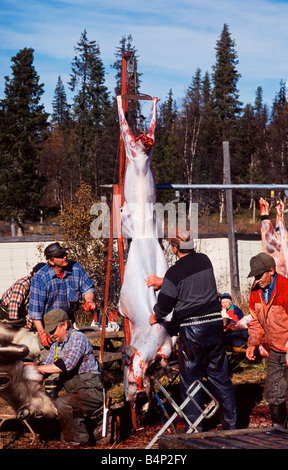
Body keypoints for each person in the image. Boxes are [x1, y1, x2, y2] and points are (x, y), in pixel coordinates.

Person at [148, 234, 237, 432]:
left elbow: (164, 306)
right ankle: (232, 425)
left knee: (191, 379)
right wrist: (165, 282)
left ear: (173, 248)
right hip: (214, 325)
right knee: (220, 376)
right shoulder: (205, 260)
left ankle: (195, 429)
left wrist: (155, 316)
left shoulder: (174, 272)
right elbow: (189, 281)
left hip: (193, 330)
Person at [36, 308, 104, 447]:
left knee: (63, 403)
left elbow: (66, 364)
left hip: (93, 392)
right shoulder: (56, 345)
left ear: (65, 325)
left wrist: (39, 368)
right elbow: (45, 365)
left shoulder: (78, 338)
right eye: (49, 330)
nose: (51, 334)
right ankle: (77, 437)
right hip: (77, 394)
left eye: (53, 329)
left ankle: (80, 442)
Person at [246, 252, 288, 429]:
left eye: (260, 274)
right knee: (273, 391)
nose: (258, 279)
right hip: (274, 349)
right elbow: (255, 322)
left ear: (271, 270)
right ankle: (279, 432)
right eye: (255, 275)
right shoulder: (256, 291)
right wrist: (252, 343)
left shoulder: (286, 288)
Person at [28, 242, 96, 348]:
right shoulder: (40, 278)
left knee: (73, 354)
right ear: (51, 261)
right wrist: (42, 333)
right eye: (60, 256)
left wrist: (89, 300)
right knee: (49, 358)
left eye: (64, 254)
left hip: (69, 322)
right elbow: (35, 312)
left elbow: (87, 288)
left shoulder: (76, 268)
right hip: (49, 326)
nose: (65, 257)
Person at [0, 262, 46, 329]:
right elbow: (13, 307)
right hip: (5, 313)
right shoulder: (23, 284)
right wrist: (14, 328)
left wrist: (28, 328)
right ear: (34, 274)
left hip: (21, 314)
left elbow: (32, 311)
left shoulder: (40, 289)